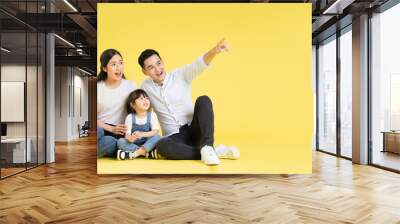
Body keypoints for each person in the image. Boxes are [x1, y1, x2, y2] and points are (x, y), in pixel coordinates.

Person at [139, 39, 239, 165]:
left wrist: (214, 51)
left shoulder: (180, 75)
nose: (157, 69)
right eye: (151, 67)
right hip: (175, 137)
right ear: (144, 72)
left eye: (159, 63)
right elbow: (144, 112)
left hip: (195, 129)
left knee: (204, 99)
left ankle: (207, 146)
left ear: (163, 62)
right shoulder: (145, 87)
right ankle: (212, 151)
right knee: (162, 146)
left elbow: (198, 65)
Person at [97, 49, 136, 157]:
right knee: (98, 131)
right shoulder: (99, 88)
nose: (118, 67)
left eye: (121, 62)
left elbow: (137, 111)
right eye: (113, 64)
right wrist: (110, 128)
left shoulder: (130, 85)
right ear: (104, 68)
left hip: (119, 132)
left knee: (110, 142)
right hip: (102, 127)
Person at [116, 89, 161, 160]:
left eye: (147, 98)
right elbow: (127, 135)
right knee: (120, 141)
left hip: (147, 142)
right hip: (134, 144)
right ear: (132, 104)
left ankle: (134, 154)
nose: (145, 100)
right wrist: (130, 139)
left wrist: (142, 134)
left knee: (157, 137)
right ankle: (146, 153)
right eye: (141, 99)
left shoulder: (152, 115)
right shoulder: (130, 117)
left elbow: (155, 131)